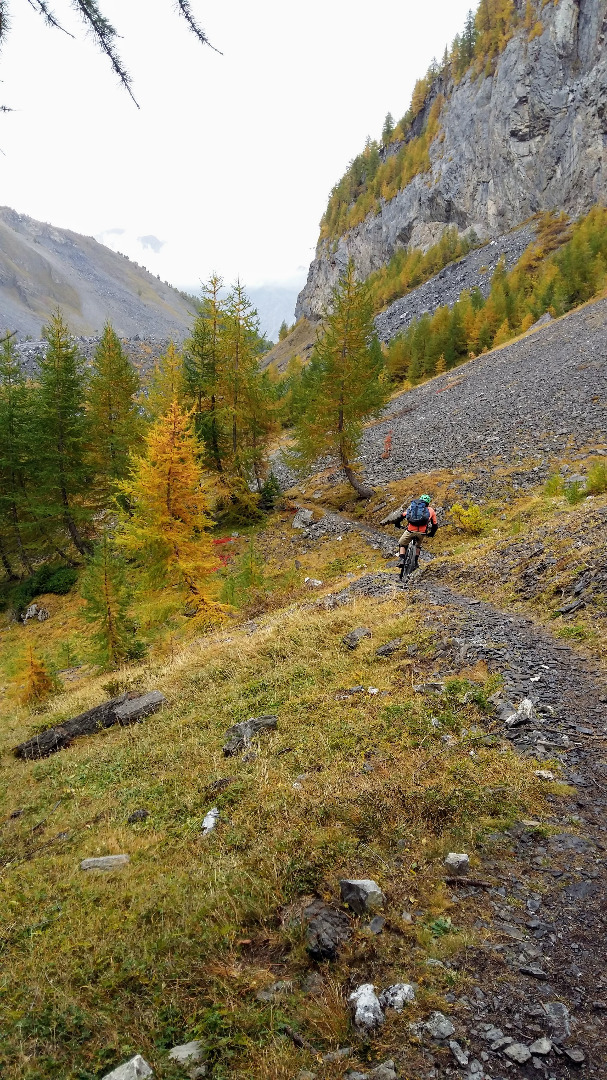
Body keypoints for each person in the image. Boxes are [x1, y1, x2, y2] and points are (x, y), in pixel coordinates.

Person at [397, 494, 437, 569]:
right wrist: (431, 534)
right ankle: (415, 562)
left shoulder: (413, 507)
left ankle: (401, 559)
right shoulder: (431, 510)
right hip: (422, 533)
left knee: (402, 543)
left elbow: (403, 515)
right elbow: (435, 524)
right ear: (428, 503)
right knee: (418, 546)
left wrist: (398, 524)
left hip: (410, 531)